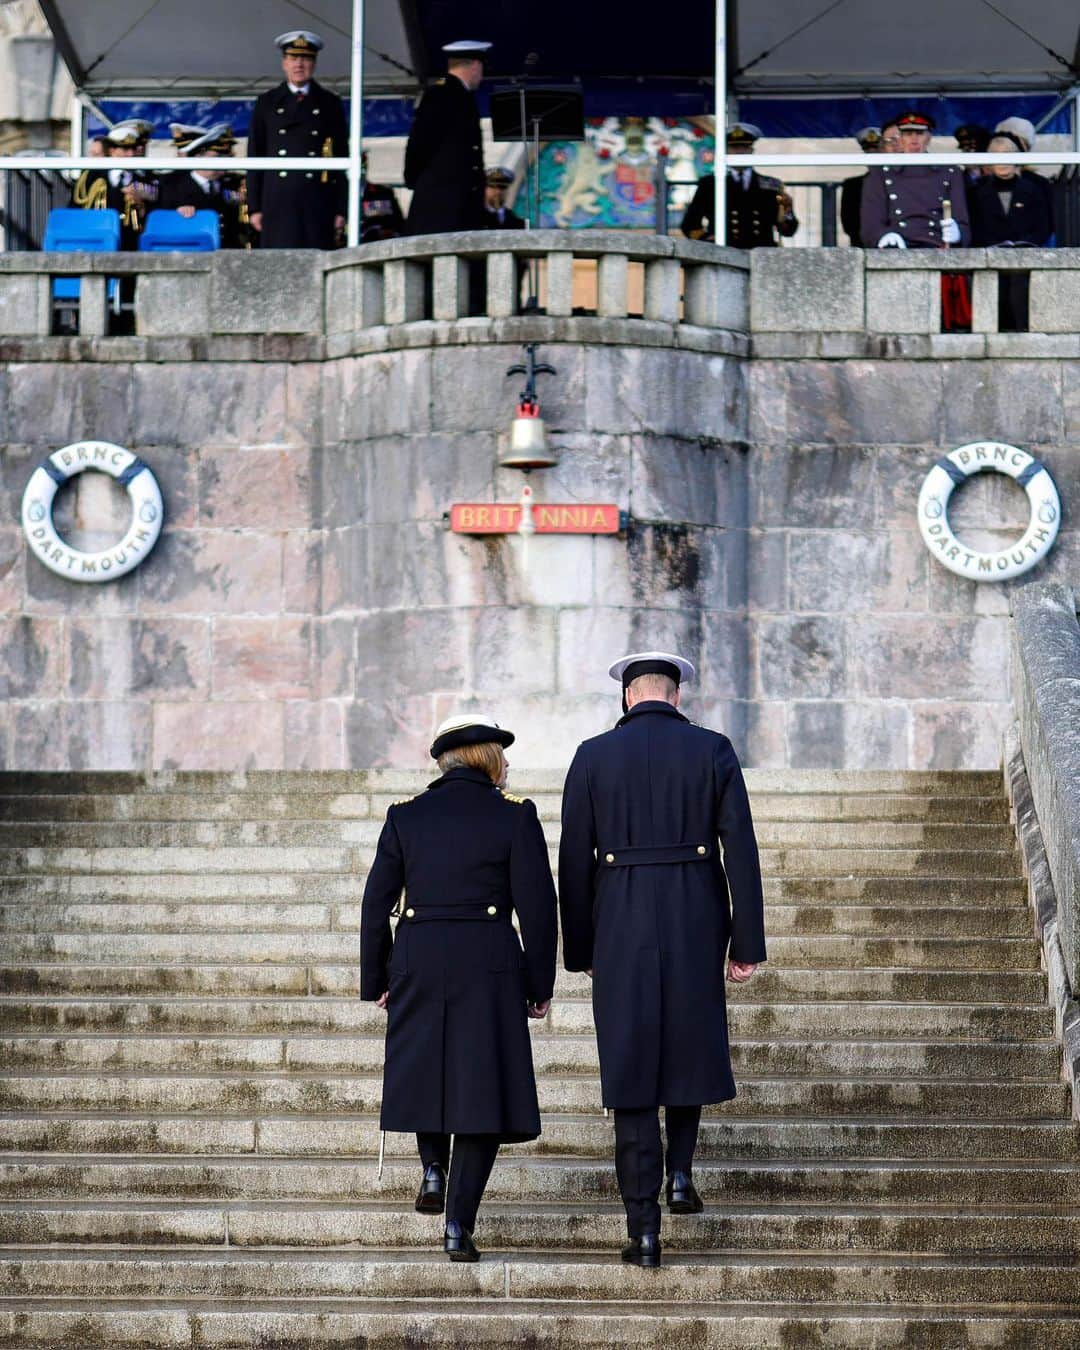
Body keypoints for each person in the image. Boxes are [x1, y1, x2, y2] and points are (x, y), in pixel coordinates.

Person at [558, 651, 766, 1269]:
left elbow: (573, 862)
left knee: (630, 1064)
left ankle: (642, 1228)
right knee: (688, 1043)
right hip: (695, 918)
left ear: (628, 697)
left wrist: (582, 948)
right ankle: (680, 1177)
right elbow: (742, 852)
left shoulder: (592, 755)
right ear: (676, 697)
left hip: (619, 921)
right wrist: (745, 942)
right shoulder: (713, 750)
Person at [360, 713, 557, 1263]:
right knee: (481, 1093)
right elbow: (539, 909)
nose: (509, 763)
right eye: (503, 753)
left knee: (427, 1065)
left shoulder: (406, 816)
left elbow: (376, 903)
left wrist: (376, 977)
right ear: (485, 758)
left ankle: (431, 1168)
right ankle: (457, 1226)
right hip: (488, 960)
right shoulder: (515, 816)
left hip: (418, 955)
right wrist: (540, 983)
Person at [248, 30, 348, 248]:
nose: (299, 65)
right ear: (284, 63)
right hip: (277, 197)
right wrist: (254, 207)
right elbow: (255, 155)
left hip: (316, 197)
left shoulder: (329, 102)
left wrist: (341, 208)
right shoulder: (267, 102)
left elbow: (341, 155)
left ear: (314, 63)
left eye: (306, 59)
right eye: (293, 58)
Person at [404, 39, 490, 236]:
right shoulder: (441, 94)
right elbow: (420, 143)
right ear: (475, 66)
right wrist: (417, 180)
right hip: (441, 201)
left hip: (457, 201)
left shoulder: (458, 95)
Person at [969, 134, 1054, 331]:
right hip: (989, 259)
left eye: (1007, 154)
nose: (1002, 160)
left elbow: (1044, 227)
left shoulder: (1034, 190)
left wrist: (1024, 246)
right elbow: (974, 228)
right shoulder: (976, 192)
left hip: (1025, 259)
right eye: (996, 155)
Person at [860, 109, 969, 249]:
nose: (913, 140)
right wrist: (883, 235)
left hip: (938, 248)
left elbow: (962, 221)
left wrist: (958, 233)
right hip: (896, 249)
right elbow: (871, 222)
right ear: (899, 138)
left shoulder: (949, 171)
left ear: (929, 137)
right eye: (908, 134)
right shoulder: (880, 173)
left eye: (919, 133)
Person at [680, 123, 798, 247]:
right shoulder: (710, 184)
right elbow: (689, 224)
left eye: (744, 147)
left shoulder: (771, 185)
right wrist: (707, 239)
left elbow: (788, 231)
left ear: (751, 151)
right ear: (726, 151)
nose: (739, 152)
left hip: (761, 251)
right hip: (724, 252)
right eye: (734, 147)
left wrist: (788, 212)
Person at [157, 123, 244, 248]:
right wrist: (176, 214)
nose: (224, 161)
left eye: (225, 156)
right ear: (198, 157)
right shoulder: (171, 185)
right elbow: (162, 221)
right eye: (217, 156)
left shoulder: (233, 183)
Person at [840, 125, 884, 247]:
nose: (873, 156)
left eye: (877, 151)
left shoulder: (897, 181)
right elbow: (849, 225)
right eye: (869, 152)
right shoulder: (852, 186)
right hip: (863, 246)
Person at [359, 152, 405, 243]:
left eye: (363, 163)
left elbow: (399, 225)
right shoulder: (336, 197)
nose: (362, 168)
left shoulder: (383, 193)